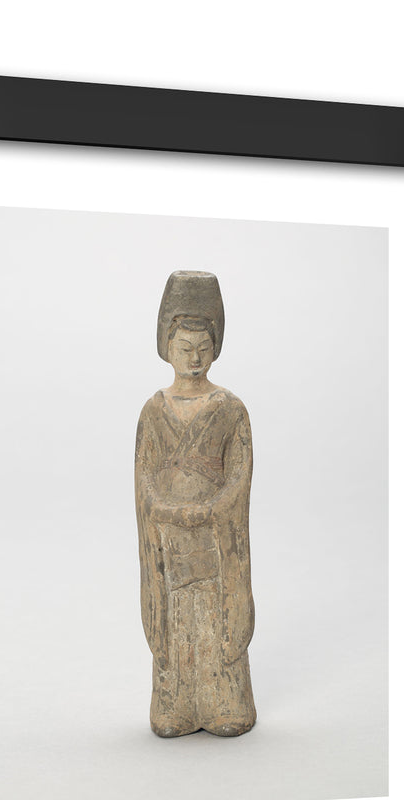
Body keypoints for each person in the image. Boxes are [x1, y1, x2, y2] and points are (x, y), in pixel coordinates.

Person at [135, 271, 256, 737]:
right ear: (166, 347)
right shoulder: (153, 411)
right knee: (175, 618)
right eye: (184, 346)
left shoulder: (229, 409)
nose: (194, 357)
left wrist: (209, 511)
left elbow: (239, 478)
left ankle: (224, 701)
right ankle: (176, 704)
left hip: (215, 541)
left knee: (216, 616)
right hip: (169, 542)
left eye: (203, 346)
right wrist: (164, 511)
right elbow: (144, 478)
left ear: (215, 347)